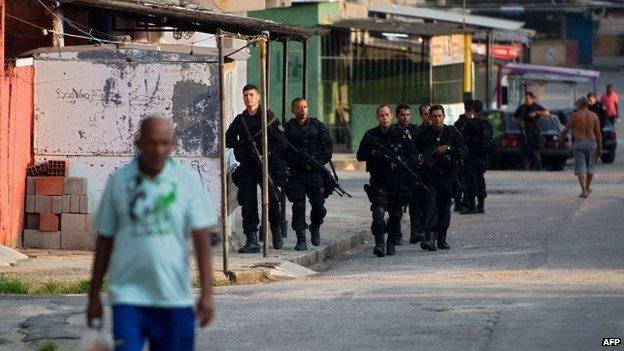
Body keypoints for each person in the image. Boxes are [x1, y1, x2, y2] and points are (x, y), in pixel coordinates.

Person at [88, 117, 217, 351]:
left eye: (164, 143)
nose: (158, 150)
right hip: (128, 297)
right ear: (138, 143)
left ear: (172, 145)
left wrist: (207, 293)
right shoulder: (119, 181)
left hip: (174, 298)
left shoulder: (186, 181)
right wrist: (93, 295)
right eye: (152, 143)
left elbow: (201, 240)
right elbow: (105, 239)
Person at [226, 84, 288, 253]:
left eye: (251, 95)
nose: (248, 98)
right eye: (245, 95)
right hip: (247, 166)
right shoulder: (240, 120)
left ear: (258, 97)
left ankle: (275, 232)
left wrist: (267, 153)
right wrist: (245, 145)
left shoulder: (268, 118)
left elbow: (282, 142)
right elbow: (228, 140)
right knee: (248, 203)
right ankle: (252, 239)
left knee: (273, 200)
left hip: (267, 165)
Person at [357, 105, 417, 257]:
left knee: (395, 215)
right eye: (381, 115)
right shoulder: (371, 135)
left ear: (392, 116)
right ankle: (379, 242)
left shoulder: (402, 134)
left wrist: (399, 162)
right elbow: (360, 155)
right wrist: (375, 153)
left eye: (387, 115)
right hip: (378, 180)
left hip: (398, 181)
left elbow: (413, 157)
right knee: (378, 212)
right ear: (377, 118)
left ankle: (391, 242)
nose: (384, 118)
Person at [414, 105, 467, 251]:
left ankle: (442, 238)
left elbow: (464, 151)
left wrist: (448, 149)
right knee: (430, 203)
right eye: (434, 116)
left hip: (448, 176)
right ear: (429, 118)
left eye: (439, 116)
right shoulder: (423, 133)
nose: (437, 119)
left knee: (444, 207)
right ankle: (430, 236)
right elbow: (413, 151)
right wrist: (418, 158)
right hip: (429, 177)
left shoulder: (452, 132)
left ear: (443, 117)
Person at [284, 98, 333, 250]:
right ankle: (301, 238)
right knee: (298, 206)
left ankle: (315, 227)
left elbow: (327, 148)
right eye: (299, 108)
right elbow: (282, 150)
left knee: (319, 206)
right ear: (293, 110)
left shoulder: (317, 126)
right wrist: (295, 162)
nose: (303, 110)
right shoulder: (288, 128)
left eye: (305, 107)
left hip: (314, 173)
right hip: (296, 173)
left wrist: (317, 162)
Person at [561, 97, 603, 198]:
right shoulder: (594, 116)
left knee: (581, 167)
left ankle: (584, 191)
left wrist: (561, 137)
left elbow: (566, 129)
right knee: (590, 167)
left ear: (581, 104)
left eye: (577, 104)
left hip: (579, 143)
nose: (576, 105)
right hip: (592, 143)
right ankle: (587, 188)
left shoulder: (575, 115)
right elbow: (598, 133)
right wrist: (600, 147)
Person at [395, 104, 419, 245]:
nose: (405, 117)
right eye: (403, 115)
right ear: (397, 116)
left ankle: (415, 232)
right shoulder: (393, 131)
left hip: (412, 171)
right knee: (397, 205)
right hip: (397, 173)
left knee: (414, 204)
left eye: (408, 115)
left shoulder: (415, 131)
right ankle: (397, 233)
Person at [513, 92, 551, 170]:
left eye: (527, 99)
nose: (526, 100)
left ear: (532, 99)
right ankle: (527, 166)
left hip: (535, 132)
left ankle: (537, 166)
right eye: (525, 99)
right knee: (525, 150)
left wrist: (537, 112)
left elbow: (547, 113)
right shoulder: (521, 107)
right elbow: (514, 118)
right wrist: (519, 121)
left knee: (535, 150)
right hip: (525, 132)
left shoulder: (536, 107)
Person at [453, 99, 478, 213]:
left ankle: (460, 203)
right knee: (467, 180)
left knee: (460, 180)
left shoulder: (459, 122)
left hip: (461, 156)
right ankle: (465, 204)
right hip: (467, 156)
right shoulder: (469, 123)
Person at [470, 100, 494, 213]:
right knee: (480, 179)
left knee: (472, 180)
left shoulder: (472, 122)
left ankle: (472, 205)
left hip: (473, 156)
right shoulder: (487, 122)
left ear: (473, 109)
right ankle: (481, 205)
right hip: (484, 156)